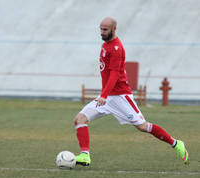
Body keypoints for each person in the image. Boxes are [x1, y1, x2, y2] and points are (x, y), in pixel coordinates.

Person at [74, 17, 189, 166]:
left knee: (142, 126)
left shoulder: (116, 48)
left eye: (105, 30)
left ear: (114, 29)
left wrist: (103, 95)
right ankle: (85, 155)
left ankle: (176, 143)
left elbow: (114, 74)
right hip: (107, 97)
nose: (101, 32)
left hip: (120, 97)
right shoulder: (106, 45)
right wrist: (105, 96)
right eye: (100, 29)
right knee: (80, 119)